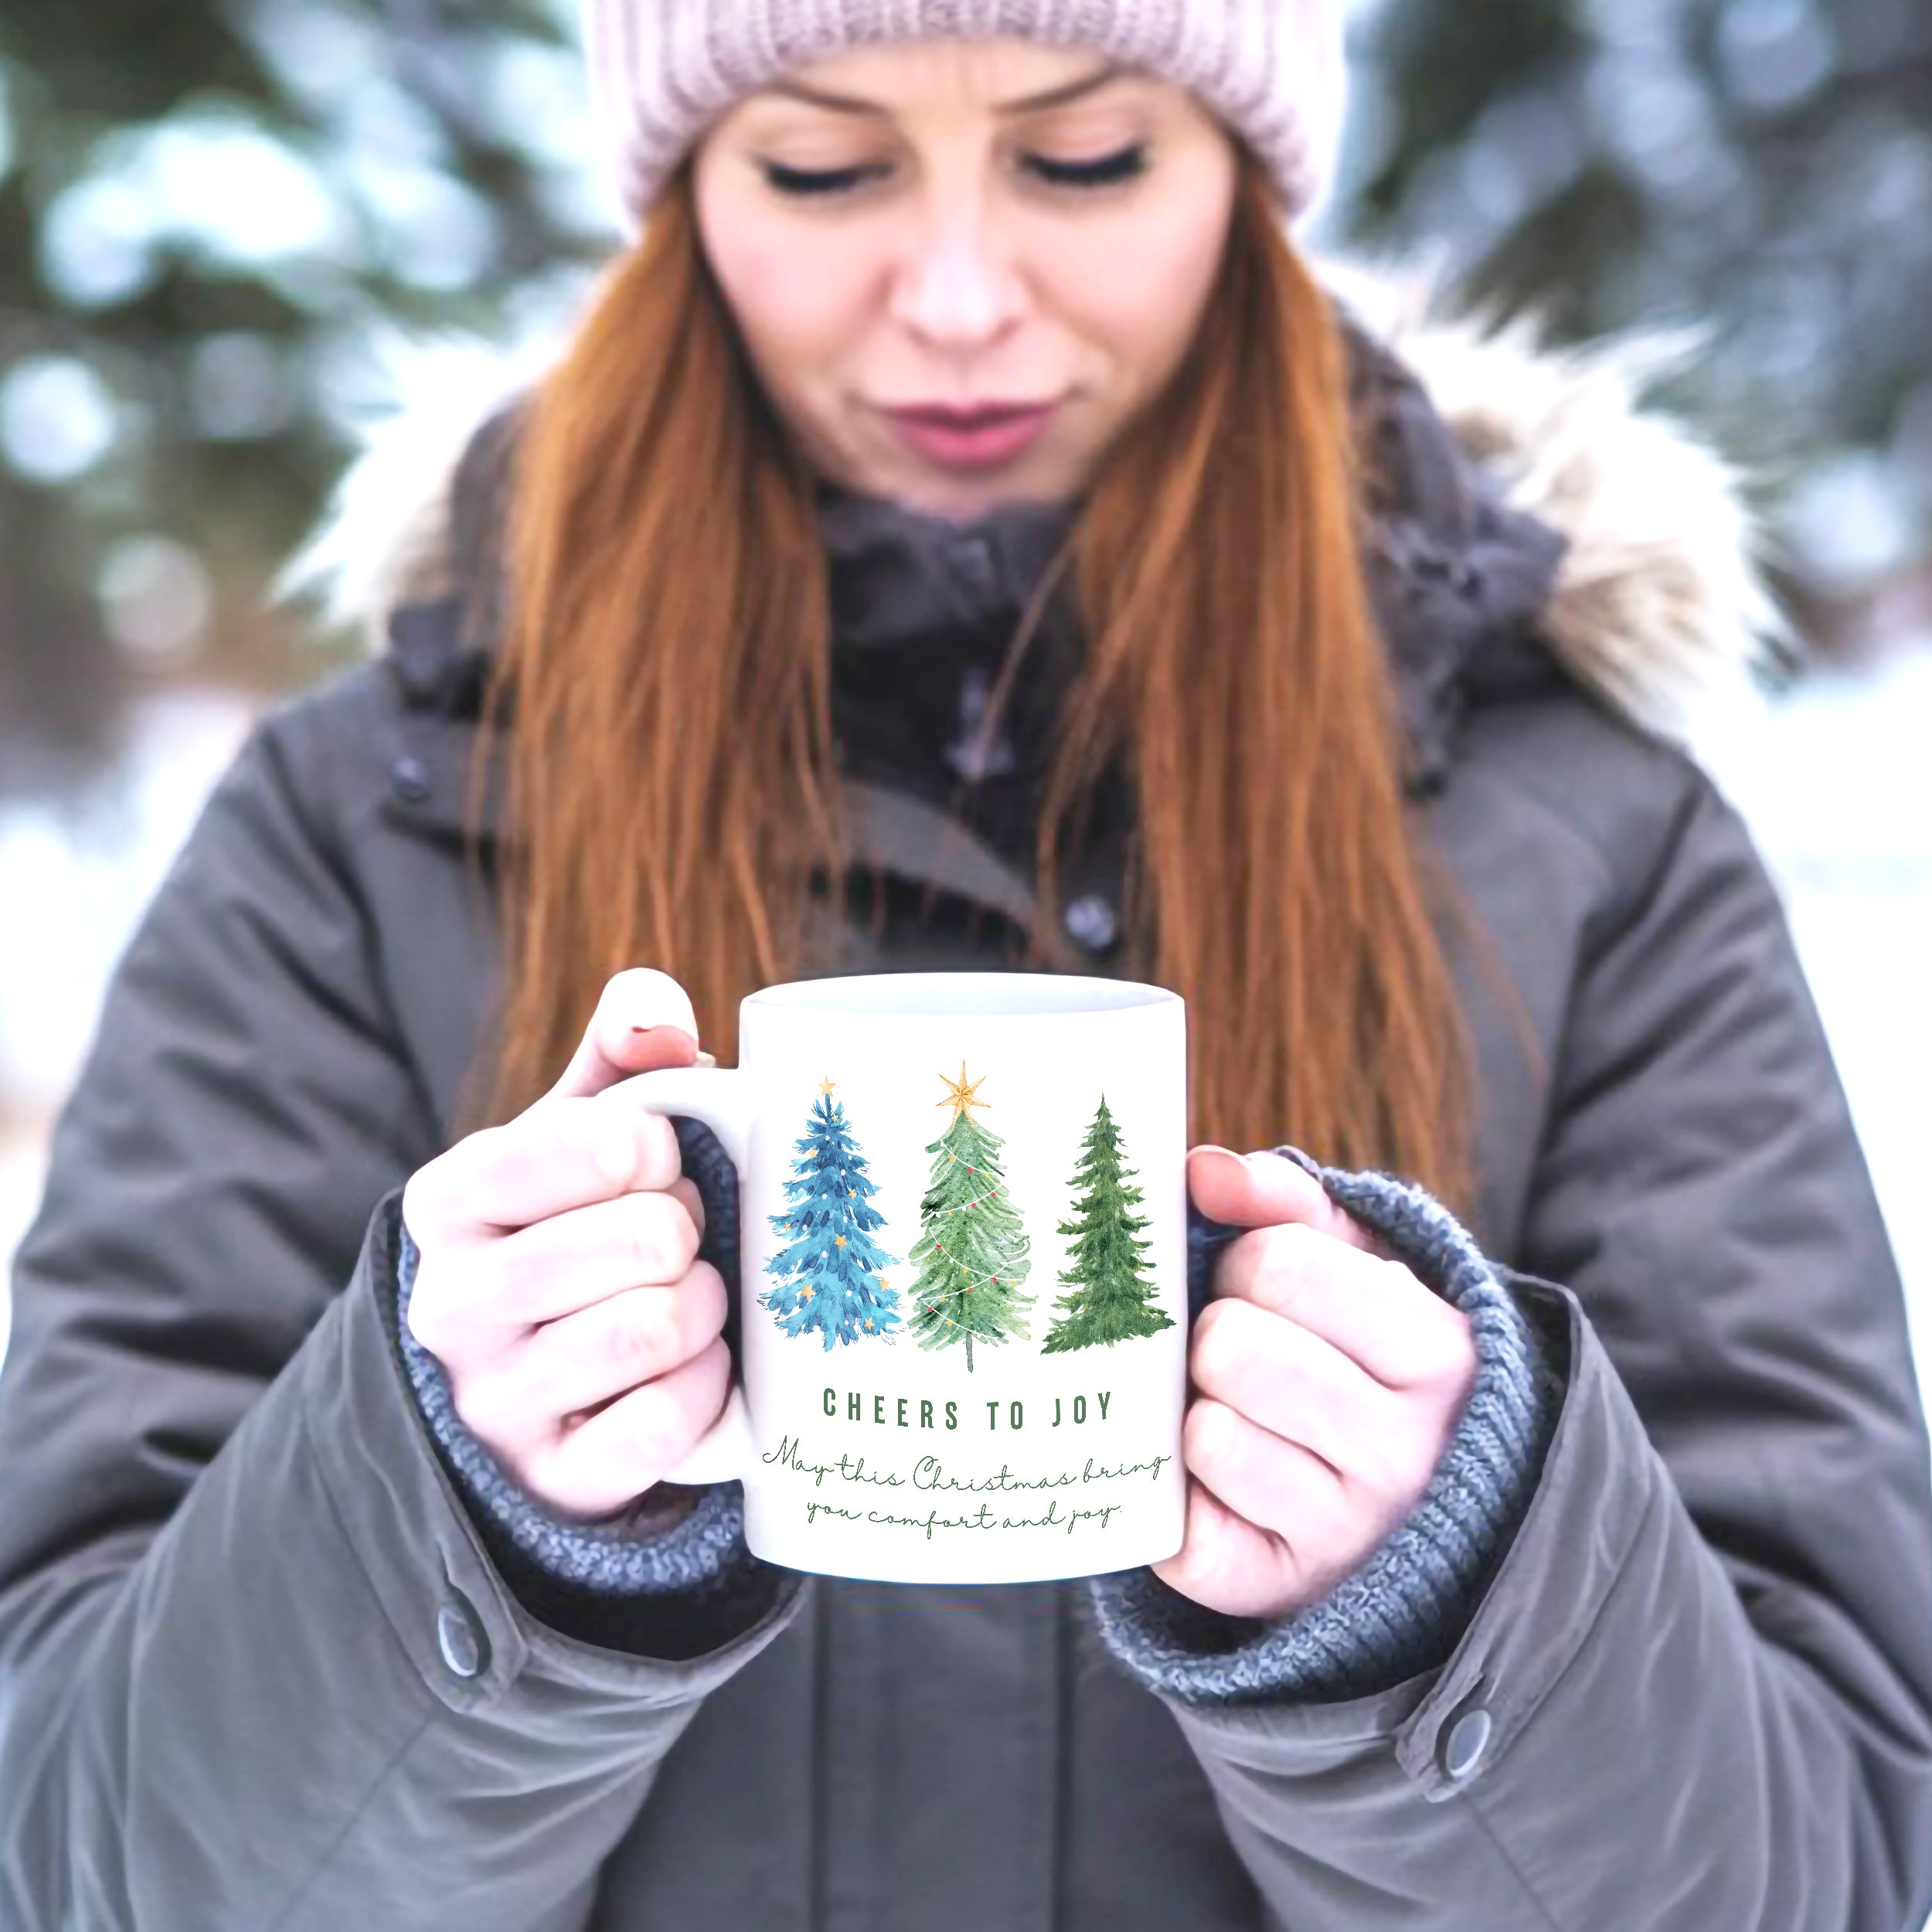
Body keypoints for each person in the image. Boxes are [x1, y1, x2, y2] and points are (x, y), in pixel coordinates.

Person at [2, 5, 1930, 1927]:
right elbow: (79, 1842)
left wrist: (1448, 1601)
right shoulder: (364, 827)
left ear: (1248, 183)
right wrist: (455, 1516)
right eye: (821, 168)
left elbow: (1837, 1860)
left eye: (1082, 159)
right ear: (676, 196)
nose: (950, 297)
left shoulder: (1592, 843)